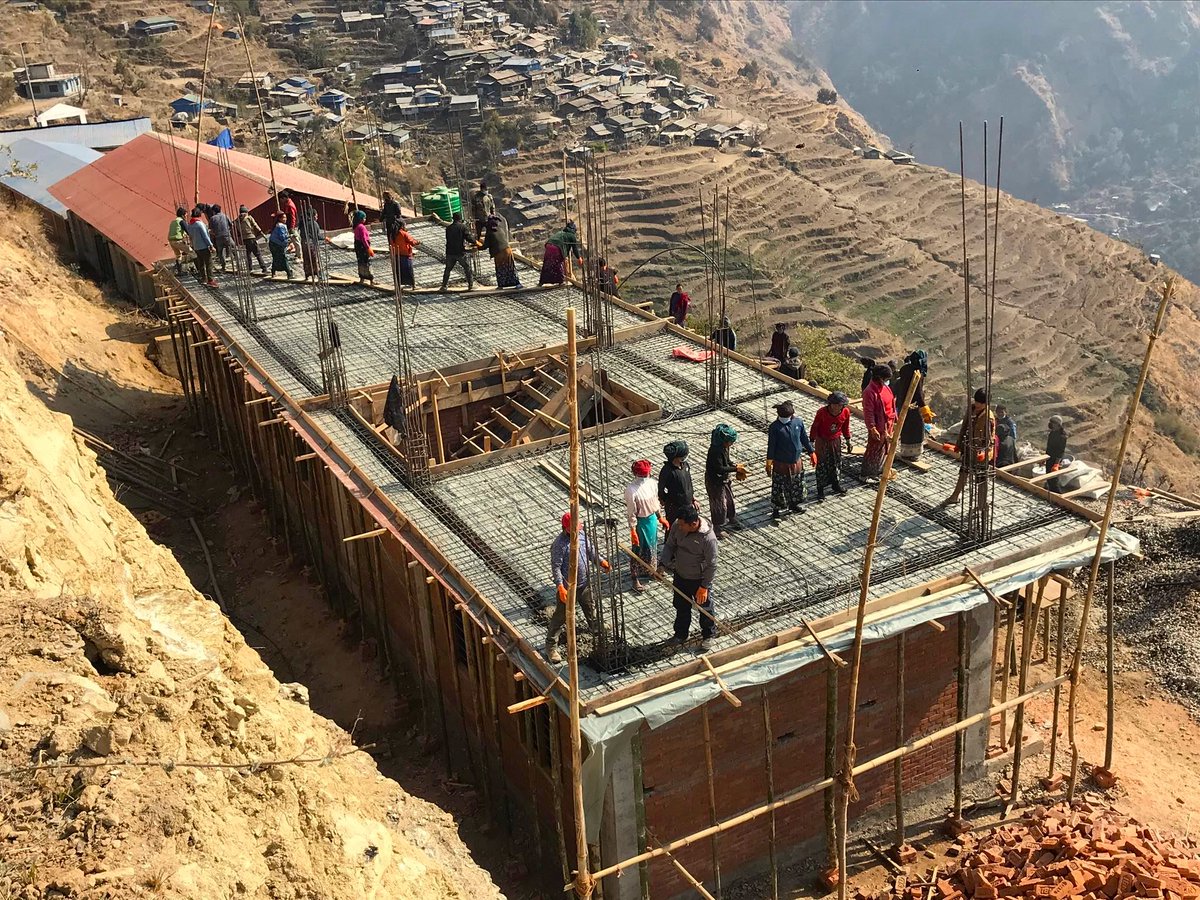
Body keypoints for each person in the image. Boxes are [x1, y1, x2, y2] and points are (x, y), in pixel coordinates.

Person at [546, 512, 610, 663]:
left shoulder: (581, 535)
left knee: (590, 607)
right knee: (560, 617)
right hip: (568, 588)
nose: (579, 528)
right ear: (567, 528)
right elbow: (556, 567)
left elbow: (591, 551)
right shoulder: (559, 544)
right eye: (575, 527)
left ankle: (596, 628)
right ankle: (551, 647)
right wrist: (560, 587)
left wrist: (601, 562)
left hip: (584, 583)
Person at [659, 506, 719, 651]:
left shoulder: (708, 539)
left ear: (693, 524)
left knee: (704, 608)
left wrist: (704, 586)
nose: (679, 526)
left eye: (682, 525)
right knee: (681, 605)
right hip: (680, 574)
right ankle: (680, 634)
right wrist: (663, 564)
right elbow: (670, 545)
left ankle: (708, 635)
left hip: (698, 579)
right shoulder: (678, 526)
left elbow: (712, 565)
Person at [939, 389, 995, 527]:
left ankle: (982, 505)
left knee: (981, 480)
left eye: (980, 403)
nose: (977, 404)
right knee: (963, 472)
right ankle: (955, 496)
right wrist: (958, 445)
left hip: (980, 453)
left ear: (986, 404)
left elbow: (990, 439)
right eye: (976, 401)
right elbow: (964, 427)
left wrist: (984, 452)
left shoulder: (988, 417)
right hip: (968, 447)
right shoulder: (971, 409)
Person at [625, 459, 669, 592]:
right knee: (638, 549)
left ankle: (650, 570)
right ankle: (635, 577)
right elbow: (631, 512)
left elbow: (655, 502)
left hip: (651, 520)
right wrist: (633, 530)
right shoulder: (631, 490)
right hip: (641, 522)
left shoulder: (652, 484)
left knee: (652, 546)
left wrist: (660, 517)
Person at [766, 400, 815, 518]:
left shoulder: (798, 422)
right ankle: (776, 510)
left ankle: (794, 504)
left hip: (796, 461)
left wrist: (811, 452)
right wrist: (769, 462)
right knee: (780, 487)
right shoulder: (775, 427)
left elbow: (804, 439)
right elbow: (771, 446)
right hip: (781, 463)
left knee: (796, 484)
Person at [704, 423, 746, 538]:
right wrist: (735, 469)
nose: (731, 444)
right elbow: (719, 468)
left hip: (724, 479)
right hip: (715, 481)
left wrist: (735, 465)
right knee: (719, 504)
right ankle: (717, 528)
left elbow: (727, 461)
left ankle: (731, 518)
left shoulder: (724, 448)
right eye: (730, 442)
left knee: (729, 500)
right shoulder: (715, 451)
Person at [811, 391, 852, 499]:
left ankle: (836, 484)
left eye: (841, 405)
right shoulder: (822, 412)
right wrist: (811, 441)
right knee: (822, 464)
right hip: (822, 441)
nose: (839, 407)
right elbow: (815, 426)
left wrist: (848, 440)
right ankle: (820, 489)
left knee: (836, 462)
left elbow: (845, 427)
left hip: (835, 441)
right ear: (831, 404)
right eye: (837, 405)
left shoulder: (846, 412)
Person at [861, 364, 897, 481]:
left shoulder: (886, 388)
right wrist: (872, 428)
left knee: (884, 449)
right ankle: (867, 474)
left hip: (888, 424)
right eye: (886, 379)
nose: (887, 381)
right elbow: (868, 412)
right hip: (878, 426)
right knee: (874, 450)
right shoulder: (869, 392)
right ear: (880, 378)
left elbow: (892, 405)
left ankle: (879, 470)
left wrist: (895, 420)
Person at [894, 349, 929, 461]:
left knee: (905, 427)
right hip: (914, 405)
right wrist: (924, 408)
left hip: (903, 403)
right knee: (916, 428)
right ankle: (912, 454)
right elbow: (918, 393)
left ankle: (905, 451)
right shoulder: (917, 373)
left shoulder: (904, 369)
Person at [430, 211, 475, 290]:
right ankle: (471, 285)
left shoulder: (448, 228)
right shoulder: (462, 227)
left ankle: (444, 286)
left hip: (450, 252)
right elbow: (468, 238)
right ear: (460, 219)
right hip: (460, 252)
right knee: (467, 268)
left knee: (448, 269)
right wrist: (476, 242)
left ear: (453, 219)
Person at [658, 440, 698, 525]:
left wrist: (693, 499)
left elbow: (689, 483)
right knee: (673, 527)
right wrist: (665, 500)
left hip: (688, 504)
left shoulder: (685, 465)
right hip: (674, 506)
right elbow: (660, 488)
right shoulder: (667, 471)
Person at [480, 213, 521, 289]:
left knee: (500, 269)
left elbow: (485, 246)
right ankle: (517, 284)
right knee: (510, 267)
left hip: (500, 253)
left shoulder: (489, 233)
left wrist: (477, 246)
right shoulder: (500, 229)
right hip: (508, 250)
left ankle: (501, 285)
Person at [539, 221, 582, 285]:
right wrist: (579, 258)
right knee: (558, 264)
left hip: (549, 245)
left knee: (547, 264)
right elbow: (575, 249)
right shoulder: (572, 236)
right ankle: (560, 281)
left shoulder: (560, 232)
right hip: (557, 248)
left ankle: (542, 281)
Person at [186, 207, 216, 287]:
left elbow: (190, 236)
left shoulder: (190, 225)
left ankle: (203, 279)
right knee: (209, 263)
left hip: (196, 247)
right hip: (203, 246)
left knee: (201, 264)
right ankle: (210, 280)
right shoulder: (200, 224)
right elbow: (205, 236)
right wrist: (211, 245)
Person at [236, 205, 267, 274]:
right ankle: (264, 268)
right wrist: (262, 234)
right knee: (257, 254)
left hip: (244, 239)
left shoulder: (237, 221)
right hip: (251, 237)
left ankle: (249, 268)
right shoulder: (249, 218)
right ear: (246, 212)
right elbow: (255, 226)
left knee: (248, 254)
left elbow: (238, 231)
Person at [391, 219, 420, 289]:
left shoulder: (393, 234)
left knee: (399, 271)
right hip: (405, 254)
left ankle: (398, 285)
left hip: (397, 254)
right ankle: (413, 286)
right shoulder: (404, 233)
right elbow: (412, 242)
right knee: (409, 271)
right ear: (402, 226)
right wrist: (417, 242)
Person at [299, 205, 324, 282]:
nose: (317, 217)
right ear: (313, 216)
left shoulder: (303, 223)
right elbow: (318, 235)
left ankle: (307, 274)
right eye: (316, 215)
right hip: (311, 244)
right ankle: (319, 274)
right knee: (315, 260)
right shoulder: (314, 224)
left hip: (304, 243)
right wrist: (325, 238)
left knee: (306, 260)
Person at [208, 204, 235, 272]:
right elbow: (231, 225)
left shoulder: (212, 218)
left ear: (213, 211)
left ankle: (223, 267)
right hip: (227, 236)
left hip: (218, 237)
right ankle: (239, 264)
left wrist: (215, 234)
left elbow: (210, 230)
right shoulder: (225, 216)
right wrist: (228, 231)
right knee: (234, 249)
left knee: (220, 253)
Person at [267, 211, 294, 280]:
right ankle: (289, 273)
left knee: (276, 258)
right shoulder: (280, 226)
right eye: (283, 217)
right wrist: (290, 237)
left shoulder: (278, 225)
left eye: (285, 217)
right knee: (283, 258)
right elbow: (282, 237)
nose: (285, 219)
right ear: (280, 218)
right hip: (276, 244)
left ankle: (273, 271)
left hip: (273, 243)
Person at [1046, 415, 1068, 493]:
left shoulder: (1062, 436)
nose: (1050, 424)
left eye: (1052, 423)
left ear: (1058, 424)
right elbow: (1049, 447)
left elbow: (1060, 451)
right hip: (1049, 458)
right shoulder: (1052, 432)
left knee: (1054, 480)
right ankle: (1050, 494)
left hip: (1055, 460)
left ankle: (1058, 496)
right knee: (1048, 477)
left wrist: (1056, 464)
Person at [352, 209, 374, 284]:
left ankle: (362, 278)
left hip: (358, 246)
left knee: (360, 262)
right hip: (363, 246)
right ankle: (371, 279)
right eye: (364, 218)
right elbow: (364, 239)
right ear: (361, 219)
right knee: (367, 262)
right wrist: (368, 248)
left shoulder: (355, 227)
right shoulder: (362, 227)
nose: (365, 219)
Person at [167, 207, 191, 275]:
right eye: (186, 215)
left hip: (171, 241)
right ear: (183, 215)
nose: (186, 217)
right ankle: (199, 270)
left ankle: (180, 271)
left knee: (178, 255)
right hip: (177, 241)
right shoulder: (182, 221)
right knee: (193, 253)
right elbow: (188, 231)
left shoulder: (173, 222)